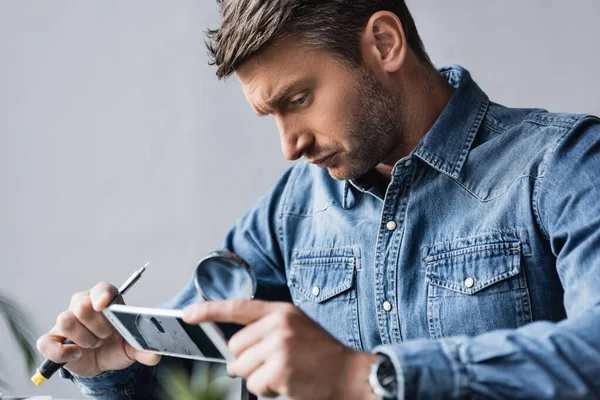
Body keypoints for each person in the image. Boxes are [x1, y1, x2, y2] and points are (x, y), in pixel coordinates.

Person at [36, 0, 600, 399]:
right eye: (270, 116)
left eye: (299, 98)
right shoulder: (290, 210)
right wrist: (117, 369)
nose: (289, 146)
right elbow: (197, 372)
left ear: (384, 42)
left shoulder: (565, 164)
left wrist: (370, 377)